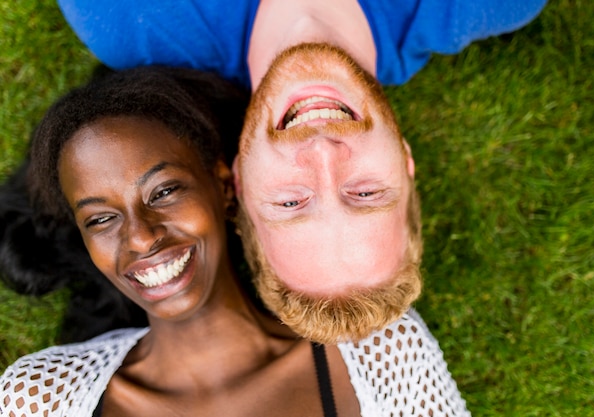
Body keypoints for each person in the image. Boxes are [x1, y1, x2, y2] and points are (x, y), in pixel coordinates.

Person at [53, 0, 547, 341]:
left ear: (240, 181)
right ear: (404, 158)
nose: (322, 153)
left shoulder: (128, 20)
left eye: (292, 202)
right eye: (366, 193)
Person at [0, 66, 470, 416]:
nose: (141, 237)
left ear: (224, 187)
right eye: (101, 219)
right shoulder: (42, 399)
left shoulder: (379, 352)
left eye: (164, 191)